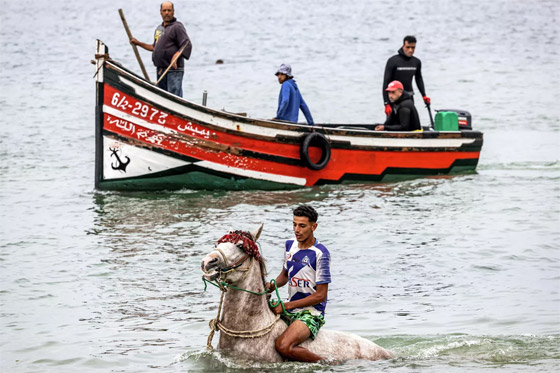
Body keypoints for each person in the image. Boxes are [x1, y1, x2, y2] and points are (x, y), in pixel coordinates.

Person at [267, 205, 331, 362]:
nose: (297, 230)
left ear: (313, 226)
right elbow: (284, 276)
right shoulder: (289, 245)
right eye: (294, 224)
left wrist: (287, 306)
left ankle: (325, 363)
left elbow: (321, 296)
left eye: (302, 226)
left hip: (311, 313)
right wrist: (268, 286)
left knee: (283, 346)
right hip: (291, 306)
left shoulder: (321, 253)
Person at [130, 2, 192, 97]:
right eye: (164, 10)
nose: (167, 13)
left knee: (173, 98)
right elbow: (154, 47)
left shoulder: (177, 27)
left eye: (169, 10)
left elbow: (186, 44)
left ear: (173, 12)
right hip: (160, 70)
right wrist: (138, 43)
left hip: (173, 71)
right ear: (160, 12)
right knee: (163, 97)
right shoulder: (159, 29)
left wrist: (176, 55)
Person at [382, 35, 430, 117]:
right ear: (403, 46)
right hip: (394, 99)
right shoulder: (393, 61)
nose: (410, 50)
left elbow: (418, 79)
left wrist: (424, 95)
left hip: (409, 98)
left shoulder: (416, 62)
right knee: (393, 124)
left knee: (408, 123)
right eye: (408, 47)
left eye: (413, 47)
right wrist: (386, 103)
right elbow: (386, 83)